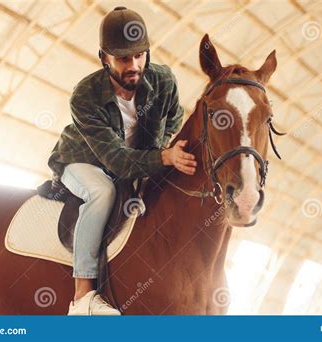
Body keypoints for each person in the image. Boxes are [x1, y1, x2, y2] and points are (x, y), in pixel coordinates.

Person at [47, 6, 197, 315]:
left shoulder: (164, 81)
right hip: (82, 160)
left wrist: (162, 148)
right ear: (104, 57)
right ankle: (83, 296)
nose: (134, 65)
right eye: (123, 58)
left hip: (134, 160)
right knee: (103, 192)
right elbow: (116, 161)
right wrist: (163, 156)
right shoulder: (84, 96)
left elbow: (175, 117)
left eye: (140, 56)